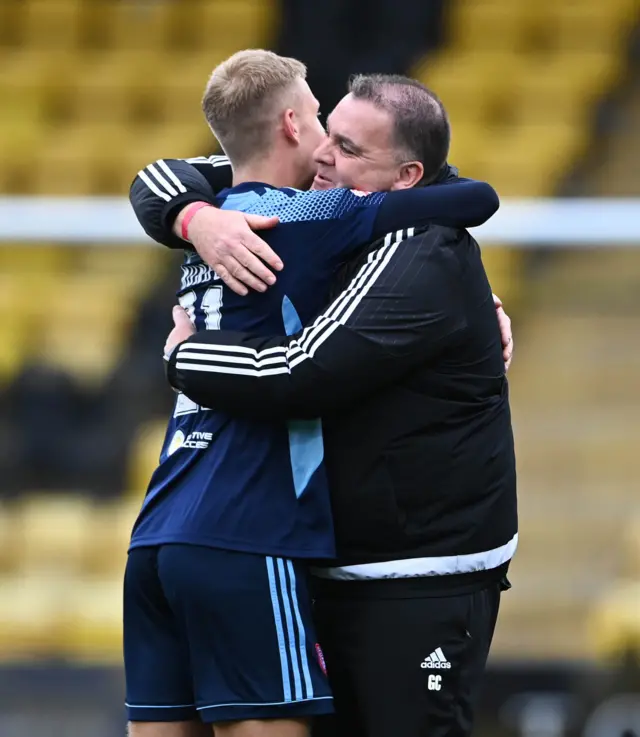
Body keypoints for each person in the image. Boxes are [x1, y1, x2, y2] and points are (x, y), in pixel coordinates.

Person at [125, 51, 504, 737]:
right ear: (295, 126)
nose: (329, 150)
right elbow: (477, 199)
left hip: (159, 527)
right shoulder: (317, 215)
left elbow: (162, 177)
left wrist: (195, 224)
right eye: (327, 127)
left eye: (349, 143)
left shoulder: (216, 214)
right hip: (244, 533)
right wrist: (185, 357)